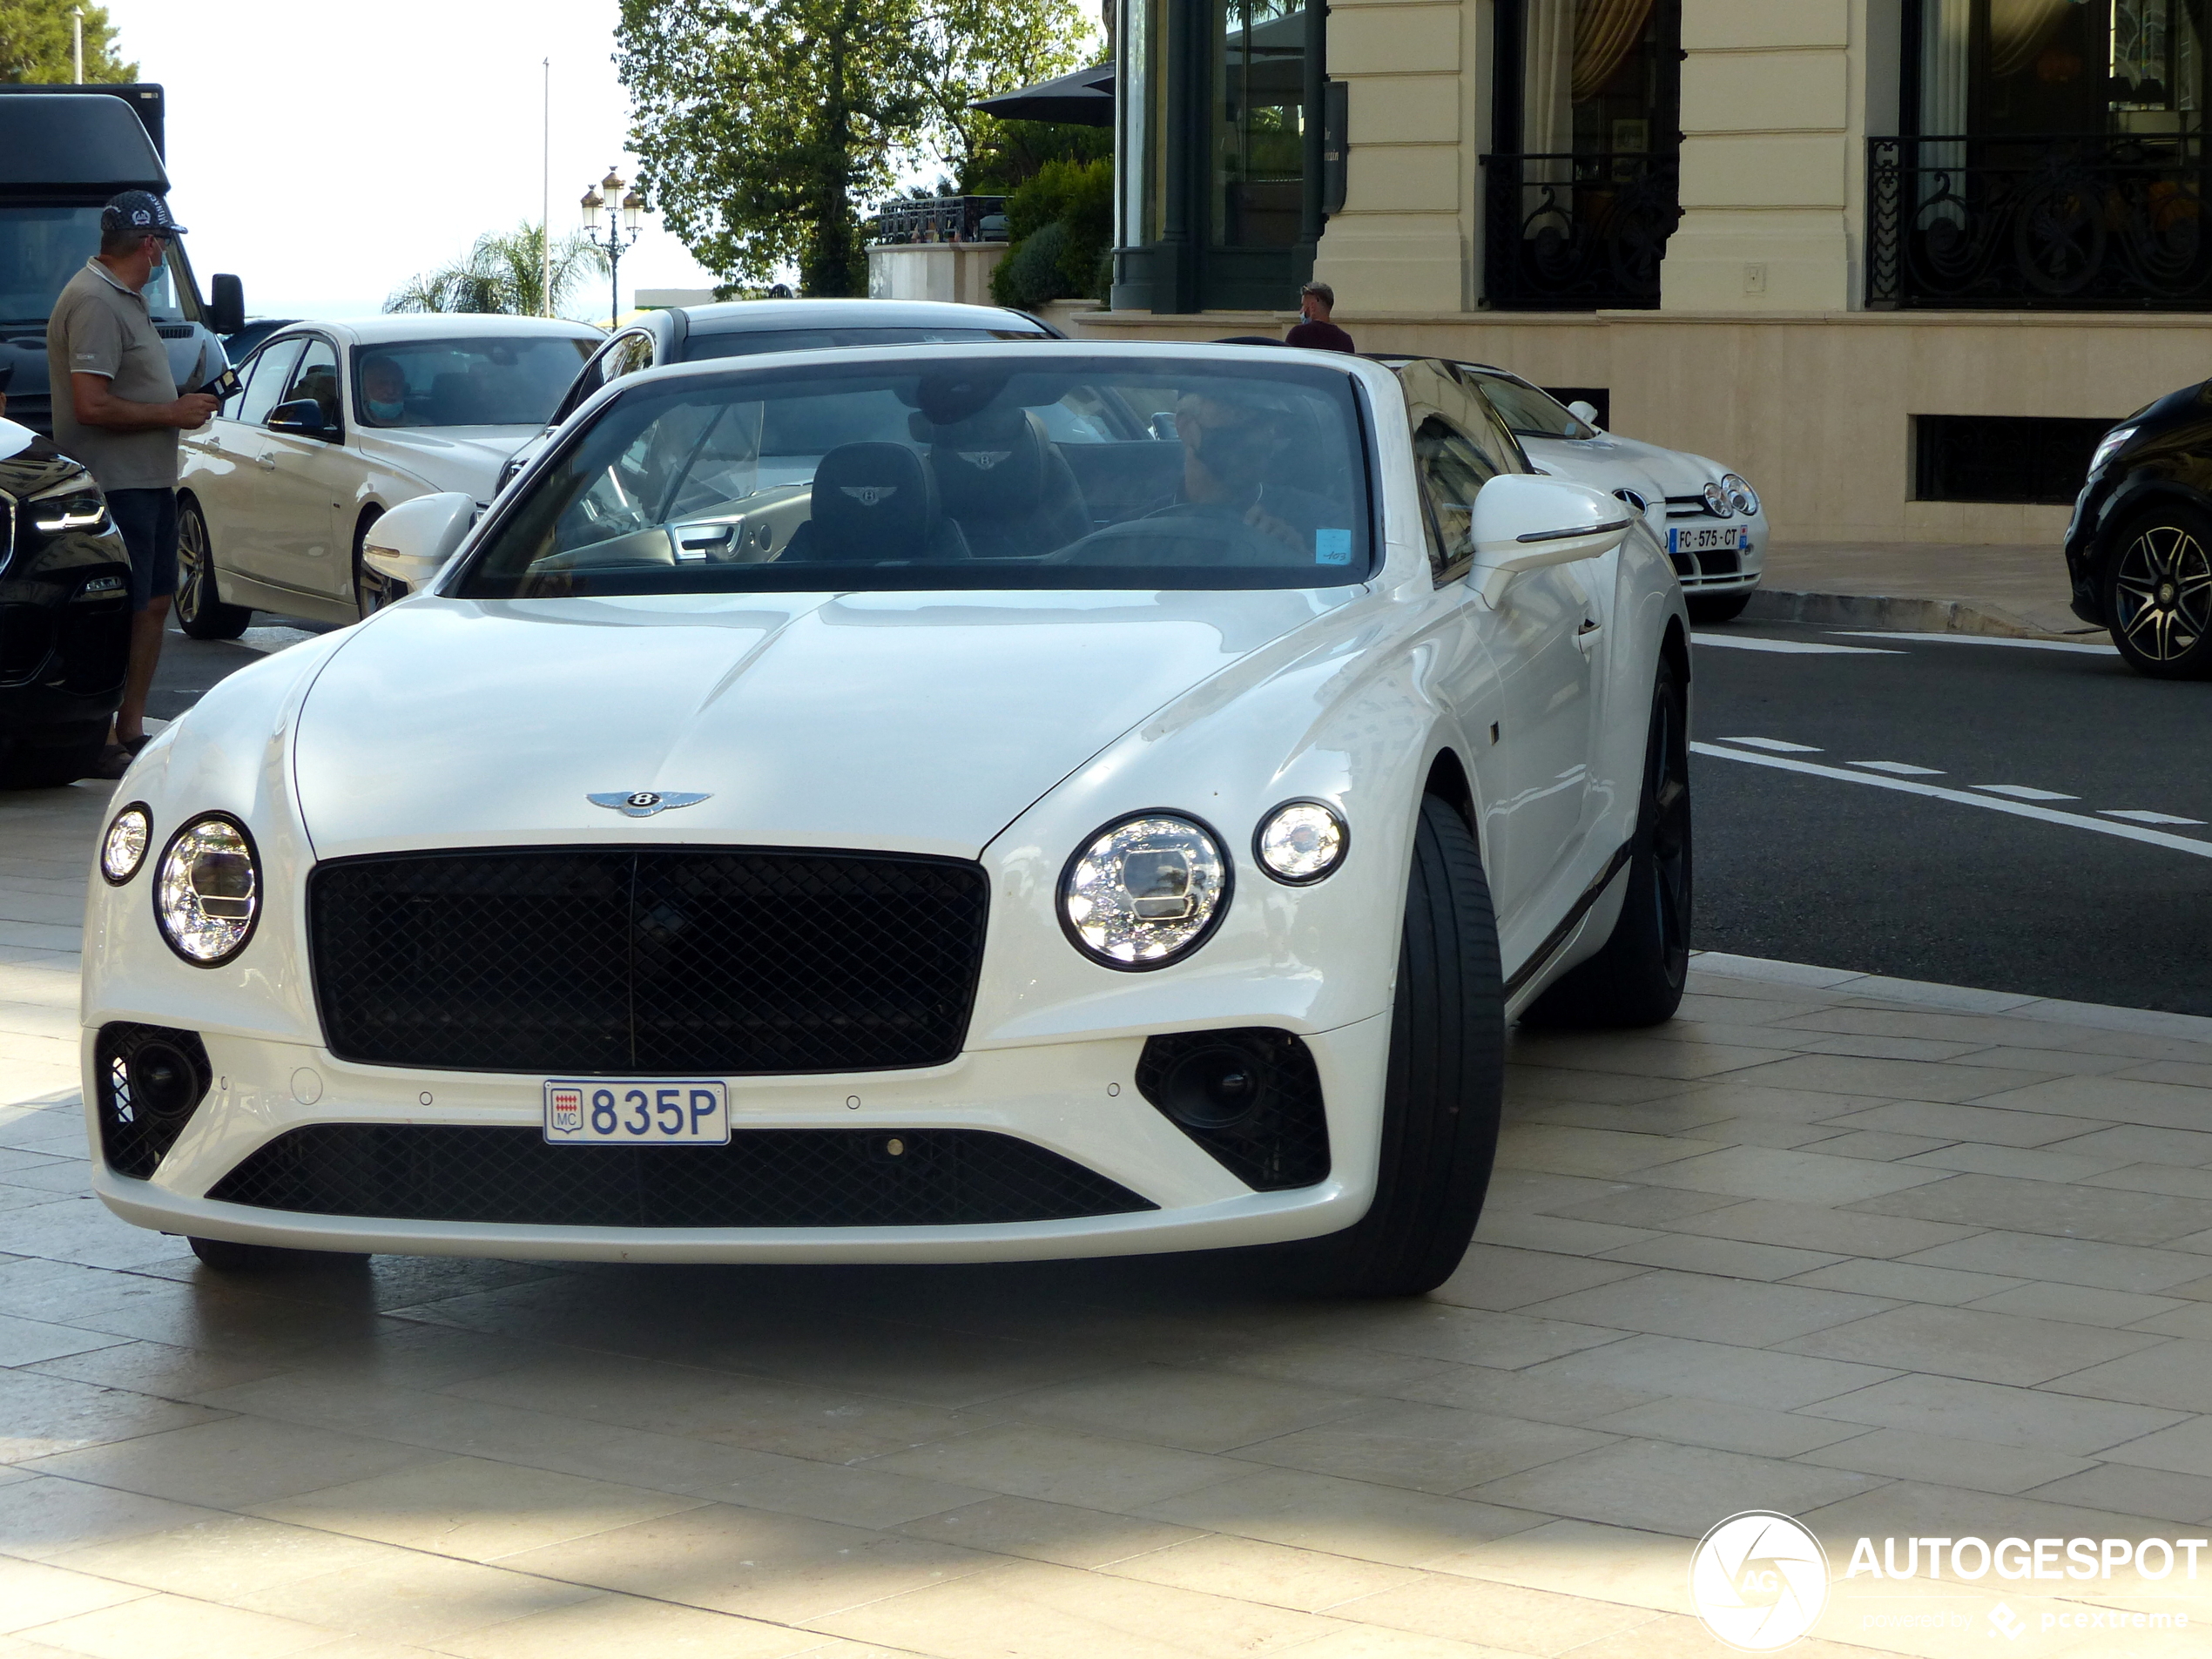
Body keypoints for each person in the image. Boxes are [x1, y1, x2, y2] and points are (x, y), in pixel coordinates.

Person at [45, 190, 218, 779]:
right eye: (164, 243)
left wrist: (182, 401)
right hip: (117, 485)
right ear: (148, 244)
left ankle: (130, 730)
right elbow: (90, 404)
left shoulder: (126, 297)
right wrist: (172, 413)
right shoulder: (94, 300)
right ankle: (93, 735)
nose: (165, 253)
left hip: (149, 479)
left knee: (153, 603)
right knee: (118, 611)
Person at [1285, 281, 1355, 354]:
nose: (1301, 311)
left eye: (1303, 305)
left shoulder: (1298, 334)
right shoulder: (1345, 340)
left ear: (1312, 306)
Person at [361, 355, 410, 423]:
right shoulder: (349, 423)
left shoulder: (421, 426)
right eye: (382, 383)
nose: (391, 391)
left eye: (397, 383)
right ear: (364, 390)